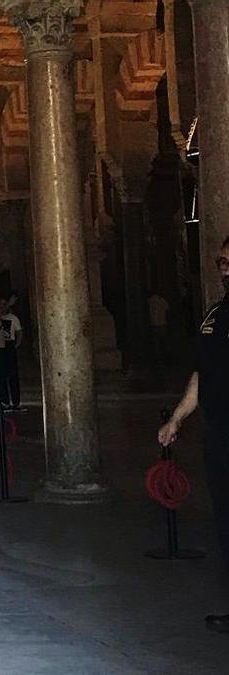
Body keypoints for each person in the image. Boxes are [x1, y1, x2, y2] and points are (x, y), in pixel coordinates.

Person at [157, 236, 229, 634]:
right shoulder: (215, 314)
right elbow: (202, 374)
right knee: (225, 521)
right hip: (219, 432)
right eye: (221, 261)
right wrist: (178, 419)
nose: (224, 268)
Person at [2, 293, 24, 411]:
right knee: (2, 375)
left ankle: (16, 401)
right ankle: (5, 401)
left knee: (13, 374)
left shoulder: (13, 318)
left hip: (10, 344)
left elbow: (19, 332)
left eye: (5, 304)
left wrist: (17, 344)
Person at [148, 290, 170, 364]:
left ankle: (158, 358)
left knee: (156, 343)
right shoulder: (162, 300)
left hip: (154, 324)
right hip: (162, 323)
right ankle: (165, 357)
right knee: (163, 341)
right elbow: (167, 310)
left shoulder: (150, 301)